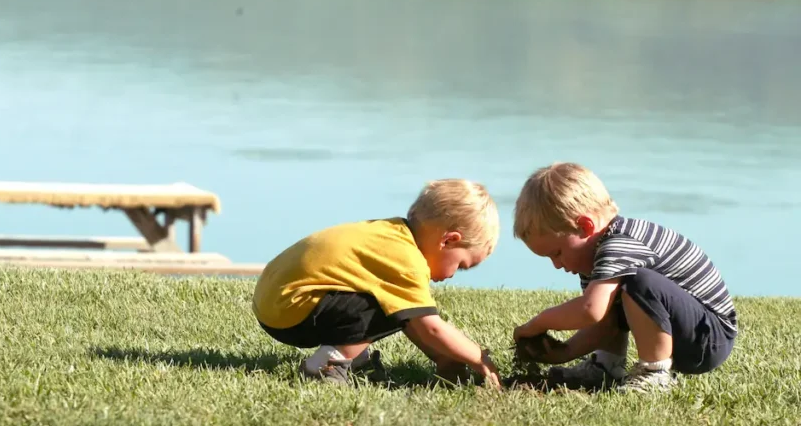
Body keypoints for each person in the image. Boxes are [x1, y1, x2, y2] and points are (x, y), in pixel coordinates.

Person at [252, 179, 502, 388]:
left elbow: (413, 323)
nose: (452, 275)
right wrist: (479, 359)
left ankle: (356, 360)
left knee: (395, 305)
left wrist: (443, 359)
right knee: (389, 307)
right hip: (290, 311)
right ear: (448, 241)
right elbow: (430, 327)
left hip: (273, 300)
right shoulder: (406, 260)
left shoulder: (391, 233)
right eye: (460, 265)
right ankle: (325, 366)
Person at [511, 162, 737, 393]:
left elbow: (590, 309)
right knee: (620, 292)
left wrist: (538, 323)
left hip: (708, 339)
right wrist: (564, 352)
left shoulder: (621, 243)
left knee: (638, 282)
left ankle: (654, 374)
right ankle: (606, 367)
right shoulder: (596, 257)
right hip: (686, 333)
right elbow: (604, 322)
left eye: (557, 253)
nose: (557, 265)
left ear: (586, 226)